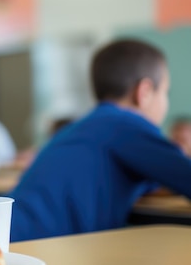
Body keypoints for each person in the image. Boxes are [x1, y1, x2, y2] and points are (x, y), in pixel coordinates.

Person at [10, 39, 191, 242]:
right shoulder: (126, 127)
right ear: (145, 92)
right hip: (33, 250)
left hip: (9, 234)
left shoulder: (83, 127)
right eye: (166, 92)